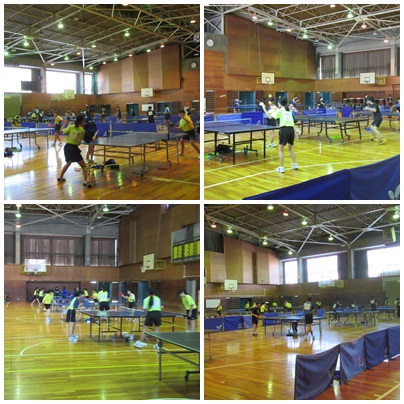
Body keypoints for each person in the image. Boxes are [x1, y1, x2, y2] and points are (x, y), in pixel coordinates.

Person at [260, 97, 298, 173]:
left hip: (284, 130)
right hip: (291, 130)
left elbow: (270, 117)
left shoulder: (280, 110)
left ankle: (281, 167)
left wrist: (264, 108)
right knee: (290, 149)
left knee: (280, 150)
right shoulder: (289, 110)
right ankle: (295, 164)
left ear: (280, 103)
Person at [57, 113, 93, 188]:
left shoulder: (71, 127)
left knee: (68, 163)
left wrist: (64, 124)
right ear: (82, 121)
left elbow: (61, 131)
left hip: (67, 147)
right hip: (74, 149)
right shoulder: (82, 130)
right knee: (84, 166)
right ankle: (85, 182)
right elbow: (90, 140)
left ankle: (60, 178)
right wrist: (94, 137)